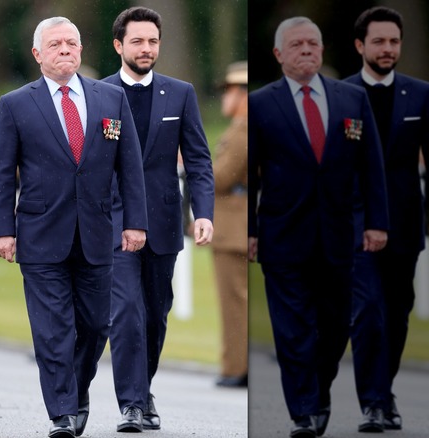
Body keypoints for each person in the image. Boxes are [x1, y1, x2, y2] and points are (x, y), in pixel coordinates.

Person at [0, 16, 147, 438]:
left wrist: (135, 223)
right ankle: (62, 413)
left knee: (95, 326)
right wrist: (0, 229)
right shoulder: (16, 104)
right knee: (53, 327)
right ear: (38, 54)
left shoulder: (110, 99)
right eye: (55, 44)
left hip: (98, 233)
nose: (65, 50)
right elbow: (2, 173)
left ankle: (76, 392)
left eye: (72, 43)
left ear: (81, 49)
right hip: (40, 234)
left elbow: (130, 167)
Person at [248, 16, 389, 438]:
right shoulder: (261, 103)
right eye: (296, 45)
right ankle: (304, 412)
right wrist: (250, 230)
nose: (307, 50)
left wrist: (377, 222)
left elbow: (371, 166)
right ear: (278, 54)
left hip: (339, 234)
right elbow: (250, 173)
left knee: (334, 325)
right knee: (293, 328)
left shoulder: (351, 99)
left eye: (314, 43)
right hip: (282, 234)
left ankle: (319, 392)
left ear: (324, 49)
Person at [99, 6, 214, 433]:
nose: (146, 49)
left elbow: (199, 160)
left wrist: (203, 213)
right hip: (112, 223)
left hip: (164, 222)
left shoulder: (180, 93)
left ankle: (142, 390)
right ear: (118, 45)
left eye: (152, 41)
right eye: (137, 42)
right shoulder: (98, 93)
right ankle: (131, 404)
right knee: (126, 310)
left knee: (155, 313)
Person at [344, 7, 429, 431]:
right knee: (368, 310)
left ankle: (383, 390)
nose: (388, 49)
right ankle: (373, 402)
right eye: (379, 41)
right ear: (360, 45)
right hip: (356, 226)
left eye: (394, 41)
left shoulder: (421, 94)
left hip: (406, 223)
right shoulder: (341, 94)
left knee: (397, 310)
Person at [212, 61, 248, 389]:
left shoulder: (243, 129)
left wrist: (190, 162)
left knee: (234, 303)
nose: (225, 97)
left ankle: (237, 366)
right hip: (236, 226)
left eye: (229, 91)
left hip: (234, 227)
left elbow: (222, 177)